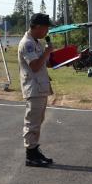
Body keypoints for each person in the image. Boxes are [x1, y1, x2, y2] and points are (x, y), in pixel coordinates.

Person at [18, 13, 54, 167]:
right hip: (33, 88)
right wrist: (47, 52)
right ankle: (30, 155)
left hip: (40, 87)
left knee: (38, 121)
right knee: (32, 122)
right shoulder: (28, 44)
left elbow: (44, 63)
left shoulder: (36, 42)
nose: (47, 32)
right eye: (46, 28)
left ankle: (34, 149)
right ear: (38, 27)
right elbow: (34, 65)